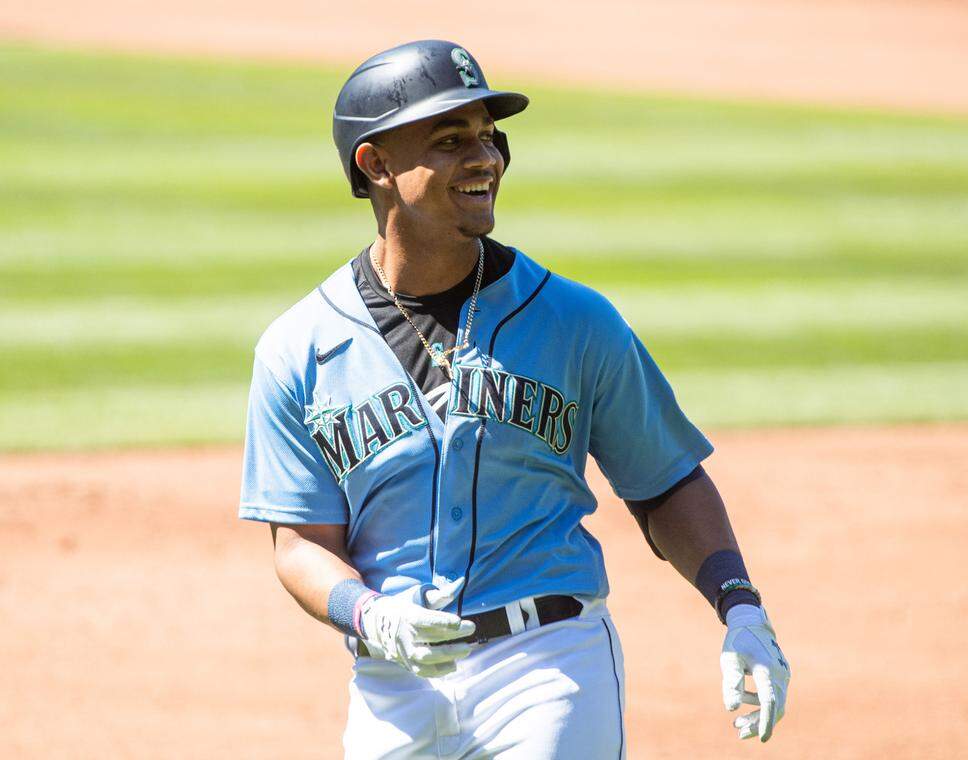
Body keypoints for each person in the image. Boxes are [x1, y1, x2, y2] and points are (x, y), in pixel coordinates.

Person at [238, 40, 789, 759]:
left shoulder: (575, 321)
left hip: (548, 670)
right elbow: (302, 545)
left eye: (489, 137)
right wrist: (368, 614)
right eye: (449, 140)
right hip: (394, 685)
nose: (484, 158)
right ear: (375, 165)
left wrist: (738, 602)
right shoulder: (298, 348)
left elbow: (665, 481)